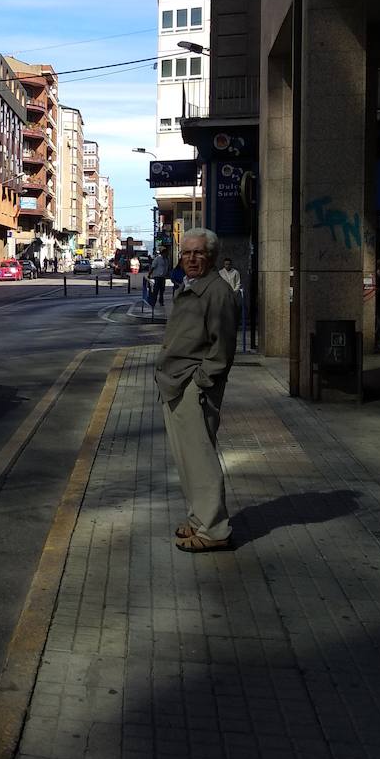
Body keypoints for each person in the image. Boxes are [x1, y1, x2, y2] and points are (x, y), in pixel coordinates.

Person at [155, 228, 239, 552]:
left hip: (193, 387)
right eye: (187, 253)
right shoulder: (193, 287)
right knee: (186, 459)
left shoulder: (217, 292)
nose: (191, 258)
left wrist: (200, 382)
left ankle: (214, 529)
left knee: (201, 461)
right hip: (176, 384)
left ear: (212, 257)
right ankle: (198, 520)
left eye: (198, 253)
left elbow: (223, 348)